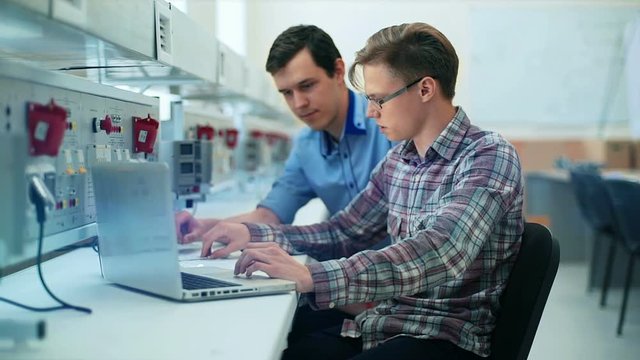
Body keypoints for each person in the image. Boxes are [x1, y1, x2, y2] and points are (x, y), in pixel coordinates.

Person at [187, 22, 524, 359]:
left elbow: (441, 251)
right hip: (388, 323)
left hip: (444, 337)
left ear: (424, 90)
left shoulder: (488, 154)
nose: (369, 111)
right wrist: (256, 234)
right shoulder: (400, 160)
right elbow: (344, 231)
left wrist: (313, 275)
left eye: (379, 99)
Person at [175, 25, 393, 244]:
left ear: (337, 72)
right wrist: (205, 228)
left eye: (307, 86)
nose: (298, 103)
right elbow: (270, 215)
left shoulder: (389, 123)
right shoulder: (306, 147)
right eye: (287, 93)